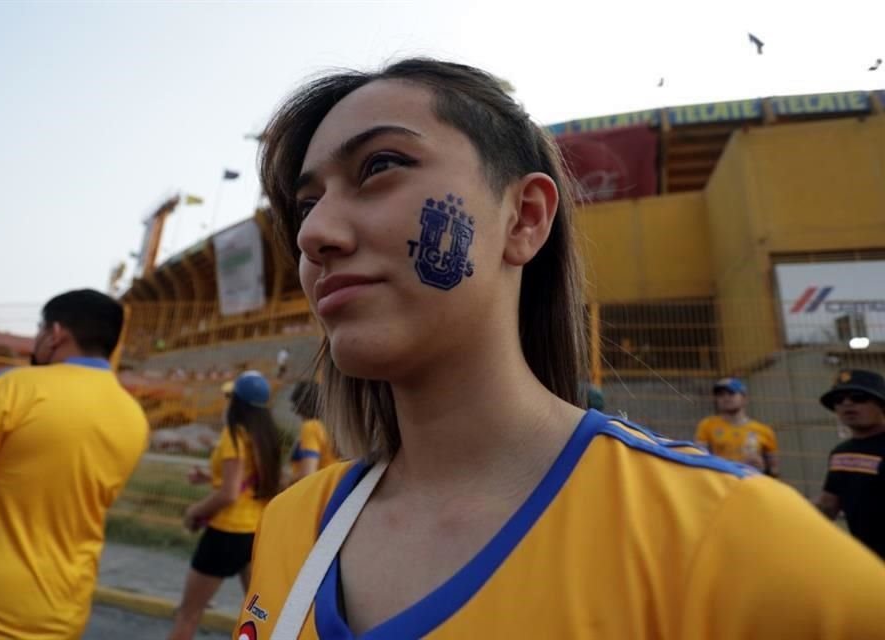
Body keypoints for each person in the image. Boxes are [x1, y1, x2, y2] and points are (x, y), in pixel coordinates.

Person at [235, 58, 885, 639]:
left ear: (522, 219)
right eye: (307, 204)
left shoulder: (730, 543)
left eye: (380, 166)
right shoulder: (293, 523)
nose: (315, 233)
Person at [0, 289, 148, 639]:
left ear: (56, 333)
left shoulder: (12, 387)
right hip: (62, 612)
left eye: (39, 330)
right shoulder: (133, 416)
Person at [169, 370, 281, 640]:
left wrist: (194, 511)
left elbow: (230, 494)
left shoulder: (234, 436)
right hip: (254, 533)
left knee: (188, 613)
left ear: (237, 403)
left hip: (225, 533)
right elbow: (253, 481)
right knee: (258, 616)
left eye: (230, 396)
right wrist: (209, 477)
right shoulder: (265, 437)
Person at [815, 369, 885, 560]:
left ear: (881, 404)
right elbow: (828, 505)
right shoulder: (840, 453)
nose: (847, 403)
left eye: (858, 397)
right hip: (867, 560)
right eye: (839, 400)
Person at [694, 377, 779, 476]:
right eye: (720, 395)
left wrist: (762, 467)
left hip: (752, 483)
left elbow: (774, 470)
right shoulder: (707, 425)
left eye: (731, 393)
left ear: (744, 398)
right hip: (722, 482)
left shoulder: (764, 431)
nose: (726, 398)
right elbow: (699, 460)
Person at [288, 380, 339, 484]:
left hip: (317, 490)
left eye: (295, 406)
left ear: (301, 406)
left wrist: (287, 481)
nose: (295, 412)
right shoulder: (331, 427)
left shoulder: (310, 427)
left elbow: (308, 473)